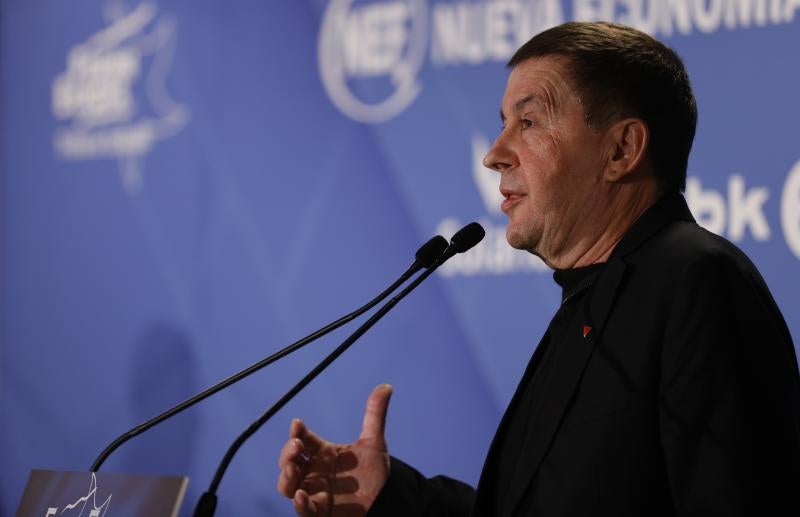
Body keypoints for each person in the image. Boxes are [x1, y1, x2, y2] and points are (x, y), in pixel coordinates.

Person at [276, 22, 800, 516]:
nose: (495, 154)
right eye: (504, 123)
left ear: (621, 149)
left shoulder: (698, 282)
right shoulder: (591, 297)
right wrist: (390, 498)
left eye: (528, 122)